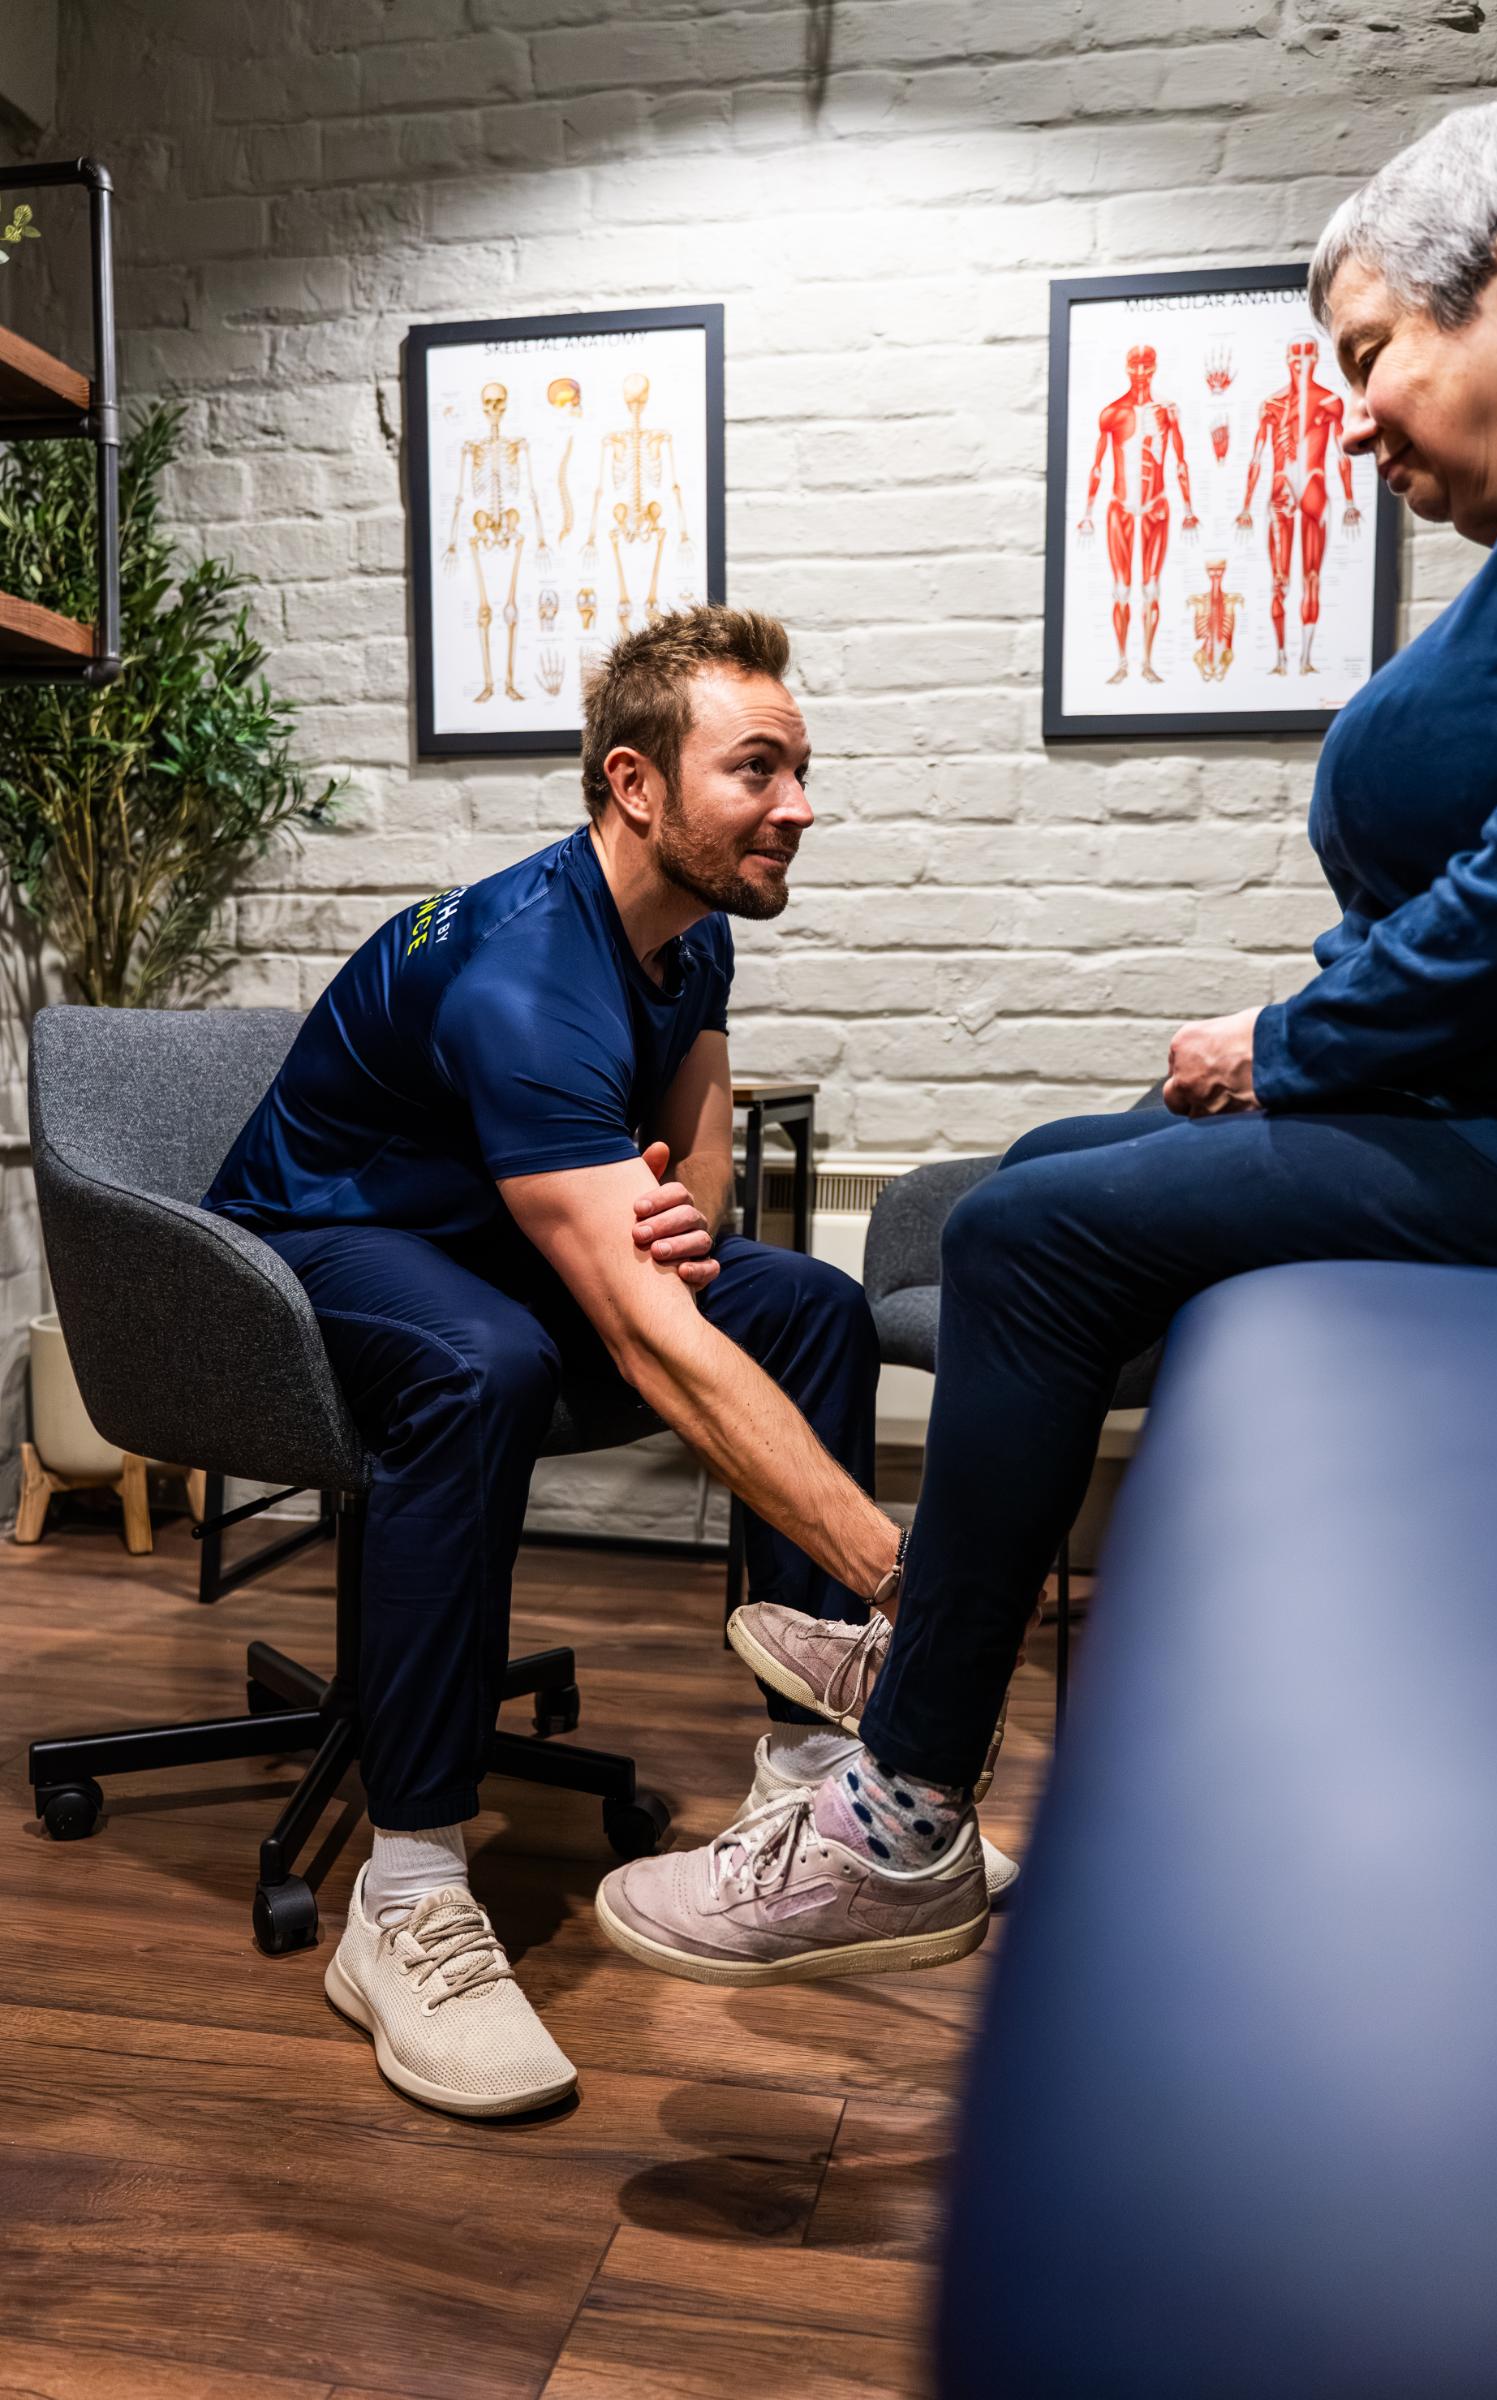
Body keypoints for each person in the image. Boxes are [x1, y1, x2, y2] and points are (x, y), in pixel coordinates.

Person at [597, 97, 1497, 1983]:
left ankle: (901, 1818)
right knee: (1046, 1169)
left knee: (1026, 1234)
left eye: (1370, 355)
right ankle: (932, 1636)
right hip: (1481, 1085)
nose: (1353, 416)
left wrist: (1291, 1043)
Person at [204, 606, 1003, 2116]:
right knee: (483, 1364)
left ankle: (815, 1781)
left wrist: (665, 1224)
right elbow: (645, 1327)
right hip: (310, 1245)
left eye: (801, 769)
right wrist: (909, 1582)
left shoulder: (691, 936)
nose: (799, 805)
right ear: (636, 785)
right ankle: (407, 1892)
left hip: (484, 1232)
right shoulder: (523, 971)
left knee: (806, 1306)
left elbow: (696, 1203)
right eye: (757, 769)